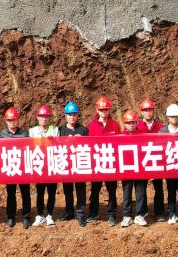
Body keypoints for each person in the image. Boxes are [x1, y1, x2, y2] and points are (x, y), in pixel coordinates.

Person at [88, 96, 121, 226]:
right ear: (97, 110)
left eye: (106, 109)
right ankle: (93, 213)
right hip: (96, 162)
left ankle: (112, 214)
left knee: (111, 190)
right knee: (95, 189)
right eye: (101, 110)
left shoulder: (115, 125)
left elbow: (119, 143)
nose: (104, 112)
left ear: (109, 110)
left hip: (111, 162)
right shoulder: (92, 125)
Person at [0, 107, 32, 228]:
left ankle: (26, 216)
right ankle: (11, 217)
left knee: (25, 193)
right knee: (11, 193)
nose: (12, 122)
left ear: (18, 120)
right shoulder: (2, 134)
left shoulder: (24, 134)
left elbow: (29, 149)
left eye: (14, 120)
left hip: (22, 168)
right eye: (9, 120)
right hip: (10, 168)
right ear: (6, 121)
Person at [58, 101, 88, 227]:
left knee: (80, 190)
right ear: (65, 116)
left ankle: (81, 214)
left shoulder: (84, 130)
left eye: (74, 114)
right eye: (70, 115)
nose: (72, 117)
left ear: (78, 115)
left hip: (80, 164)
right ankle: (69, 211)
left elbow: (89, 147)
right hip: (66, 164)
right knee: (67, 189)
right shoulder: (61, 130)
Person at [29, 105, 59, 227]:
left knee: (51, 191)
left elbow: (59, 145)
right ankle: (40, 215)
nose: (44, 119)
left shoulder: (55, 129)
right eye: (42, 116)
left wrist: (53, 140)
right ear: (37, 118)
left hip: (51, 164)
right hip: (39, 165)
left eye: (46, 117)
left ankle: (50, 214)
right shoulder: (32, 131)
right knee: (40, 191)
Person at [137, 99, 166, 222]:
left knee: (158, 188)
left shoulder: (160, 126)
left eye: (150, 110)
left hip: (156, 161)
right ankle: (142, 212)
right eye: (145, 110)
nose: (148, 112)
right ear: (141, 112)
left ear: (153, 111)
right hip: (142, 162)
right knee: (141, 188)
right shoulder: (137, 126)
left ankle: (159, 212)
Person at [119, 110, 148, 228]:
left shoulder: (142, 135)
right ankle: (127, 216)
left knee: (140, 192)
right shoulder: (120, 137)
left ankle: (140, 215)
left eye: (133, 122)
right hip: (126, 168)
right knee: (127, 192)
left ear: (136, 123)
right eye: (128, 123)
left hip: (140, 168)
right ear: (124, 123)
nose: (131, 125)